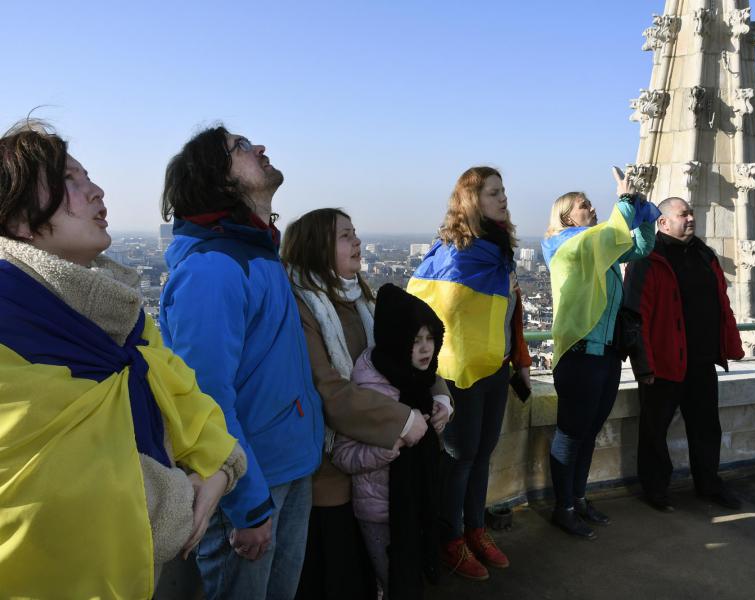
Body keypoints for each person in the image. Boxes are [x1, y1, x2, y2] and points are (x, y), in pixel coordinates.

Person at [0, 120, 245, 599]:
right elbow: (45, 496)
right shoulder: (9, 326)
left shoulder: (122, 318)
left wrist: (221, 469)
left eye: (88, 176)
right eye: (69, 180)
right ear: (18, 221)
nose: (96, 191)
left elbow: (187, 397)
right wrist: (188, 496)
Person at [159, 125, 324, 599]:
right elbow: (207, 399)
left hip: (287, 469)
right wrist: (247, 506)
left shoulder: (258, 255)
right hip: (251, 486)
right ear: (219, 179)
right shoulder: (214, 269)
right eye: (241, 147)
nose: (261, 148)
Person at [282, 209, 451, 599]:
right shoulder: (303, 309)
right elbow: (329, 390)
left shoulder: (365, 300)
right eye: (345, 236)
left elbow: (402, 356)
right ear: (316, 248)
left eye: (354, 233)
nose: (357, 241)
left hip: (387, 464)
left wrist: (439, 393)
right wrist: (403, 420)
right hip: (333, 472)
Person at [408, 166, 531, 581]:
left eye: (503, 191)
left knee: (481, 456)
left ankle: (475, 529)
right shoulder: (456, 253)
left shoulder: (499, 252)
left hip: (494, 367)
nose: (503, 198)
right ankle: (451, 539)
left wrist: (518, 361)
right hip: (460, 373)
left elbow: (506, 316)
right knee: (459, 461)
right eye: (494, 192)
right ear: (471, 201)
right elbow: (427, 307)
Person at [540, 170, 658, 538]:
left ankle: (578, 497)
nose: (592, 208)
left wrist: (641, 211)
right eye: (583, 205)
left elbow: (639, 248)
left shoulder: (596, 248)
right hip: (579, 355)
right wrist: (623, 201)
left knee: (589, 432)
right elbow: (608, 237)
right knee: (571, 432)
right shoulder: (564, 244)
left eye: (591, 203)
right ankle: (564, 506)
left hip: (606, 353)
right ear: (565, 218)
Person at [622, 196, 745, 512]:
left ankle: (709, 484)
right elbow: (635, 315)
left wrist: (730, 346)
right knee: (654, 430)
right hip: (662, 363)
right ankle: (656, 491)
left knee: (706, 427)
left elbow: (722, 305)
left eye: (692, 213)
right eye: (683, 214)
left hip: (702, 360)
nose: (691, 218)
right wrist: (643, 366)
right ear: (662, 222)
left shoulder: (705, 255)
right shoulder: (647, 258)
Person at [331, 283, 445, 599]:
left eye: (430, 339)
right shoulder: (369, 389)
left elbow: (437, 385)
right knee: (391, 582)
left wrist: (443, 406)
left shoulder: (420, 379)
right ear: (397, 341)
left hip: (416, 505)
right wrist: (389, 447)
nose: (425, 349)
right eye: (415, 340)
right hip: (380, 513)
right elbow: (343, 454)